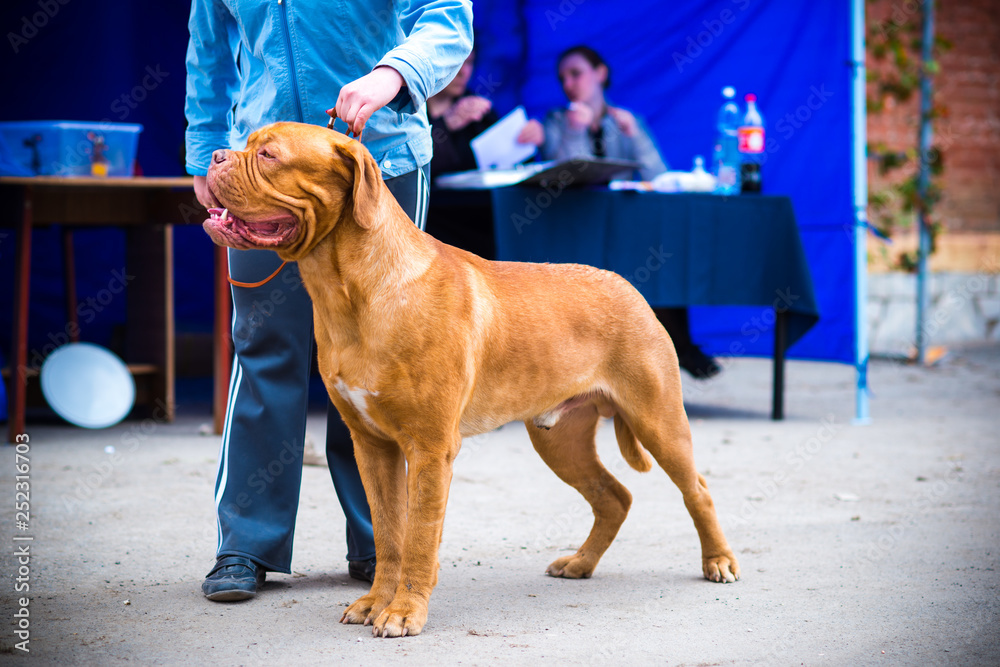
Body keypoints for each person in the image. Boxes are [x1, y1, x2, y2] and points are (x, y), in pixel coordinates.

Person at [185, 0, 473, 601]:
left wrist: (390, 74)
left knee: (387, 363)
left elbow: (449, 21)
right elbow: (208, 57)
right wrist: (206, 153)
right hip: (258, 173)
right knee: (264, 351)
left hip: (376, 165)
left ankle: (379, 544)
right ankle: (246, 544)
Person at [519, 45, 720, 379]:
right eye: (562, 78)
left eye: (576, 73)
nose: (569, 84)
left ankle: (678, 348)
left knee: (662, 259)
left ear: (601, 74)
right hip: (575, 226)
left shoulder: (626, 120)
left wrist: (635, 135)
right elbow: (567, 175)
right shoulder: (556, 122)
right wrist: (576, 130)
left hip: (627, 229)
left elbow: (659, 176)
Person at [424, 51, 500, 259]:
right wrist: (446, 125)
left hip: (477, 219)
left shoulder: (477, 110)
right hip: (430, 221)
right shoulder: (411, 109)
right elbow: (408, 165)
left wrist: (526, 139)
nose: (463, 72)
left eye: (470, 62)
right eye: (456, 62)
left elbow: (506, 164)